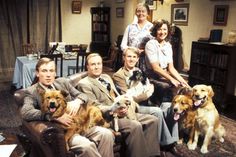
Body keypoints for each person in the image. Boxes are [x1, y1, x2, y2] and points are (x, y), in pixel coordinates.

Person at [20, 57, 115, 157]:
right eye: (44, 71)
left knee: (106, 134)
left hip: (81, 124)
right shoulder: (31, 91)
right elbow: (26, 112)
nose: (48, 75)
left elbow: (83, 95)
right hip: (65, 132)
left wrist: (77, 101)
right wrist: (52, 116)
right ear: (37, 73)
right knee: (87, 146)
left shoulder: (62, 82)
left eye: (51, 71)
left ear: (55, 73)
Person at [77, 53, 160, 157]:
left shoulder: (106, 77)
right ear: (87, 67)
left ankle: (152, 155)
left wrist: (125, 101)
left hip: (122, 110)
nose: (97, 67)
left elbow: (116, 95)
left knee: (153, 120)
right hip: (107, 117)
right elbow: (94, 107)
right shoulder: (84, 84)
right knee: (135, 125)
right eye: (93, 64)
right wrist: (114, 109)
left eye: (99, 63)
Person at [113, 47, 181, 156]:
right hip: (134, 107)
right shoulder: (119, 75)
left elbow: (148, 85)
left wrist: (149, 90)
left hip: (147, 102)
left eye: (134, 57)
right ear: (123, 58)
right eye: (129, 56)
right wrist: (148, 93)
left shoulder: (138, 71)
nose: (131, 59)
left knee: (169, 107)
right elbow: (129, 98)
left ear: (137, 59)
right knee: (157, 112)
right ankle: (165, 145)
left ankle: (173, 140)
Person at [145, 19, 189, 103]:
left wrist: (181, 80)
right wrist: (171, 79)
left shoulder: (168, 46)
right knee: (169, 87)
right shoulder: (151, 44)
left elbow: (171, 68)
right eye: (159, 29)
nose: (162, 32)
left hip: (164, 75)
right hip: (153, 76)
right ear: (155, 31)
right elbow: (156, 68)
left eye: (165, 29)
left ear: (168, 31)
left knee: (184, 85)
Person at [120, 3, 154, 70]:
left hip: (147, 59)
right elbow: (123, 45)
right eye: (138, 11)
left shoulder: (152, 27)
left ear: (148, 13)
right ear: (136, 13)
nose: (141, 13)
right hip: (131, 60)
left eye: (143, 11)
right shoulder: (130, 27)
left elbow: (155, 45)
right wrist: (133, 51)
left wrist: (145, 50)